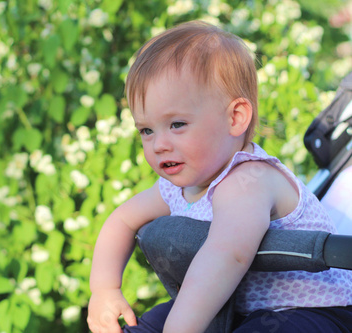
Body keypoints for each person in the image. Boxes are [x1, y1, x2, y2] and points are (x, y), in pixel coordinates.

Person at [87, 20, 352, 333]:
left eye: (177, 125)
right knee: (154, 322)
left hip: (312, 311)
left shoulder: (249, 180)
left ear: (235, 118)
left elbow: (226, 257)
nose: (159, 144)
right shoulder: (178, 188)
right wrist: (105, 289)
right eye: (146, 130)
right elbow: (122, 220)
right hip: (232, 305)